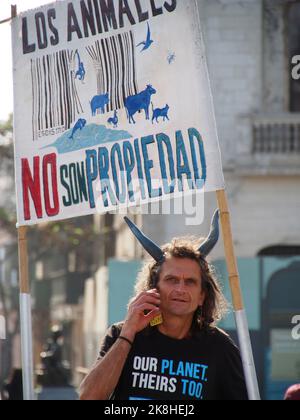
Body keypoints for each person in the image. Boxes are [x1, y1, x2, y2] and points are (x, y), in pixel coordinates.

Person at [80, 211, 248, 401]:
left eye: (190, 282)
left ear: (202, 296)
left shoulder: (220, 348)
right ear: (154, 288)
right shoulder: (123, 335)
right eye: (171, 279)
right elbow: (88, 397)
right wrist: (128, 333)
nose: (180, 289)